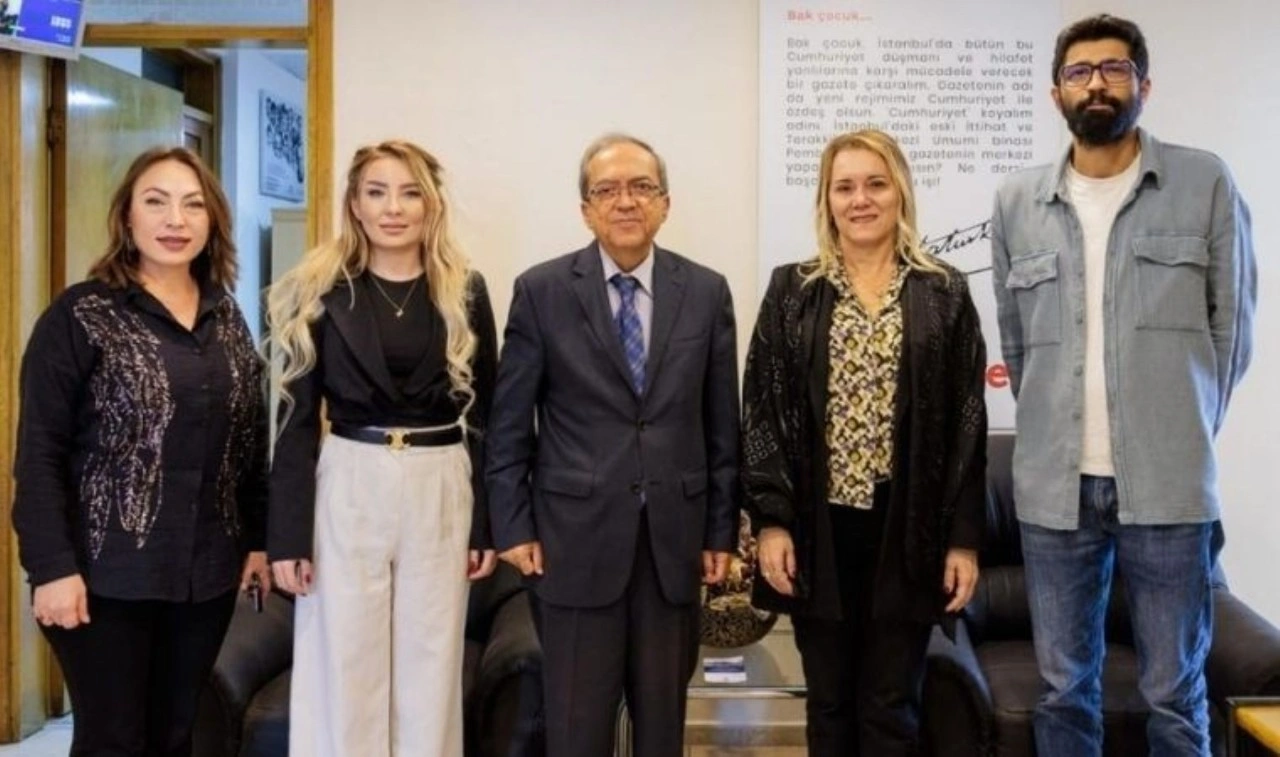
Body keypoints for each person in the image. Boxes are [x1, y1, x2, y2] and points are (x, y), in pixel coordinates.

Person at [990, 14, 1256, 757]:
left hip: (1170, 485)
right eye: (1079, 72)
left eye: (1114, 68)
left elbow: (1231, 334)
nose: (1097, 84)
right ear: (1056, 93)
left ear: (1144, 84)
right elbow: (1018, 344)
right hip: (1054, 490)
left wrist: (1183, 424)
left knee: (1176, 691)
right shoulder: (1016, 202)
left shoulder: (1204, 182)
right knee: (1063, 690)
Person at [485, 133, 740, 757]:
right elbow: (509, 423)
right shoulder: (541, 291)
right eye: (607, 190)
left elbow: (721, 426)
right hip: (572, 544)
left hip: (673, 547)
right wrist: (513, 526)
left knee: (661, 733)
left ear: (665, 203)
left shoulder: (705, 292)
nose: (626, 201)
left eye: (641, 187)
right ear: (586, 209)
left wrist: (720, 532)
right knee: (577, 731)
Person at [12, 146, 270, 756]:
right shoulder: (80, 315)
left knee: (176, 736)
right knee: (113, 741)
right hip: (103, 576)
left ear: (212, 221)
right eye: (156, 202)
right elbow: (39, 453)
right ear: (127, 217)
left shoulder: (227, 316)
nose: (175, 220)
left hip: (205, 577)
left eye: (193, 205)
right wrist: (51, 570)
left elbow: (249, 441)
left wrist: (258, 540)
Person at [742, 128, 987, 757]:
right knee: (828, 702)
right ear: (826, 200)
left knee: (892, 705)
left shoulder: (944, 292)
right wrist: (771, 522)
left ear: (900, 192)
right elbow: (762, 411)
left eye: (875, 184)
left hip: (907, 531)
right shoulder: (792, 290)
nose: (860, 200)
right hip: (818, 531)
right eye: (844, 187)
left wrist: (962, 539)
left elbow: (968, 422)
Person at [265, 139, 498, 757]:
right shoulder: (318, 290)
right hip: (350, 476)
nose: (393, 208)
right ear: (355, 204)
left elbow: (490, 417)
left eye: (409, 192)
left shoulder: (465, 290)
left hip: (440, 477)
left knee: (431, 661)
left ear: (431, 204)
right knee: (346, 658)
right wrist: (287, 538)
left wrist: (487, 525)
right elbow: (294, 423)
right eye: (377, 192)